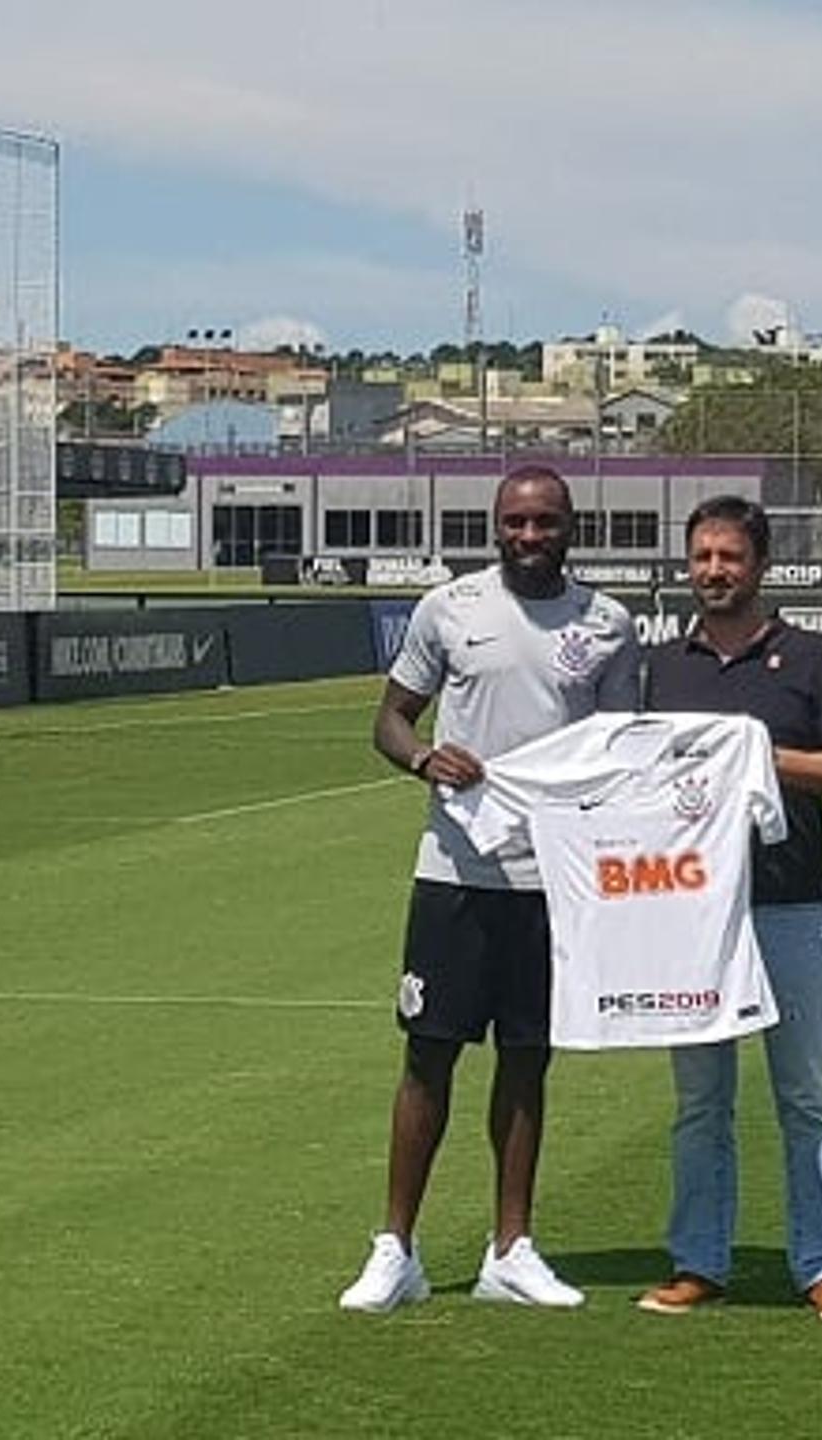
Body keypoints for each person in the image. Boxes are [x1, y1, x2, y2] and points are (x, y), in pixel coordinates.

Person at [338, 464, 640, 1313]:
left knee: (527, 1058)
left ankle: (512, 1249)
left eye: (545, 523)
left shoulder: (609, 624)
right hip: (457, 872)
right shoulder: (450, 609)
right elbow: (390, 719)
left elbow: (620, 750)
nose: (530, 537)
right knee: (428, 1054)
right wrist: (424, 757)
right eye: (515, 523)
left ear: (570, 527)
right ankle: (396, 1249)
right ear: (495, 526)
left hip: (555, 882)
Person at [637, 494, 822, 1323]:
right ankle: (699, 1261)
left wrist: (762, 760)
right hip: (691, 917)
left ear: (760, 564)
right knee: (700, 1100)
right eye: (702, 556)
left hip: (790, 906)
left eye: (728, 557)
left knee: (805, 1096)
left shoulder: (812, 658)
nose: (713, 571)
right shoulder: (664, 667)